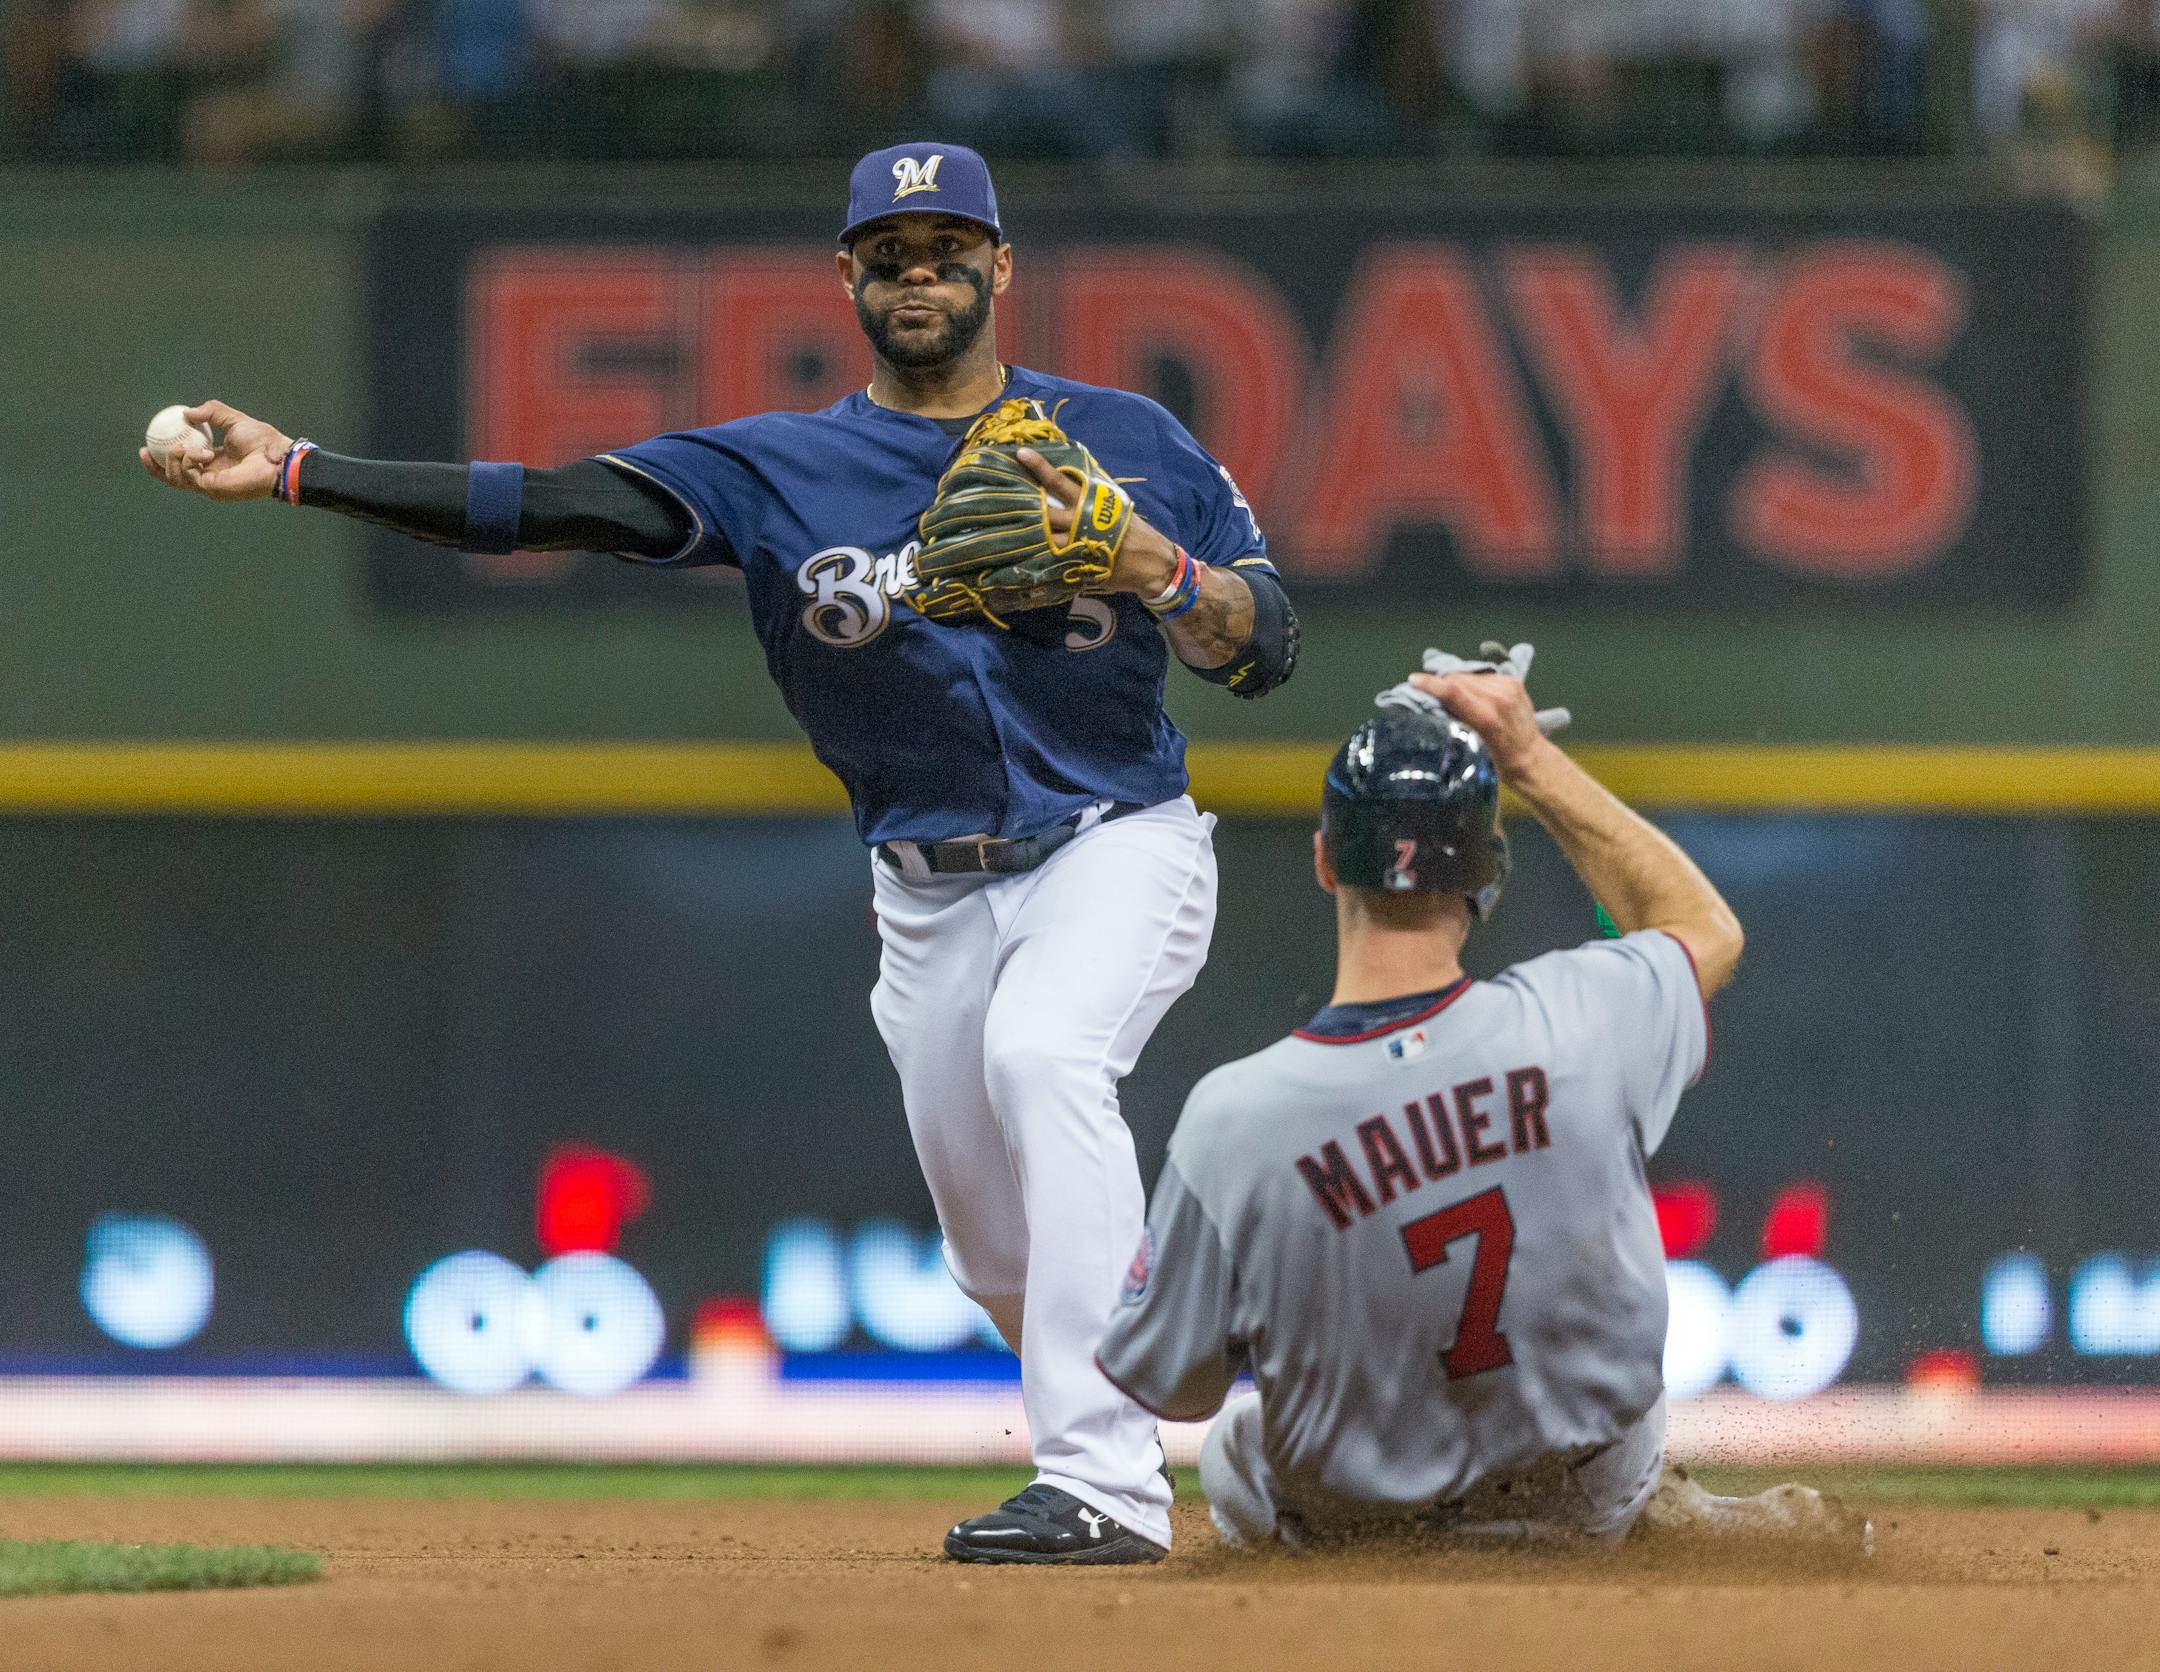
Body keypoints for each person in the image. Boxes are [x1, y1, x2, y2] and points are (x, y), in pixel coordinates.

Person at [139, 141, 1300, 1566]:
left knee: (1046, 1058)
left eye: (947, 249)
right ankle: (1192, 1342)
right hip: (926, 893)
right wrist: (306, 471)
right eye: (891, 253)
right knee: (999, 1258)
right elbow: (545, 502)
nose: (919, 273)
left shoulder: (1129, 440)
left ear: (1001, 266)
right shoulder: (780, 470)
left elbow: (1268, 651)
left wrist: (1158, 572)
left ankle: (1106, 1486)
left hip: (1116, 841)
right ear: (849, 277)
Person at [1096, 650, 1865, 1550]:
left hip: (1357, 1512)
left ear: (1323, 861)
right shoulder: (1584, 1016)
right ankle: (1640, 1526)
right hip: (1587, 1489)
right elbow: (1704, 928)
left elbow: (1176, 1387)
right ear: (1488, 876)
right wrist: (1529, 754)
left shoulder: (1233, 1118)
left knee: (1237, 1441)